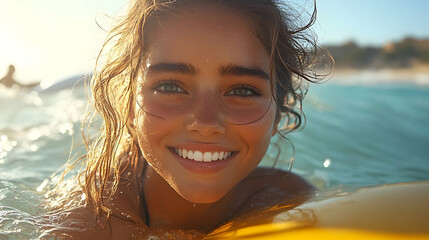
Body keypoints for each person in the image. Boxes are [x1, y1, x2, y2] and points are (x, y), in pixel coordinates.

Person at [48, 0, 331, 238]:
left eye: (242, 90)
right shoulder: (88, 222)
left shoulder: (286, 198)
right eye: (170, 87)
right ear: (130, 109)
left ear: (277, 113)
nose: (205, 122)